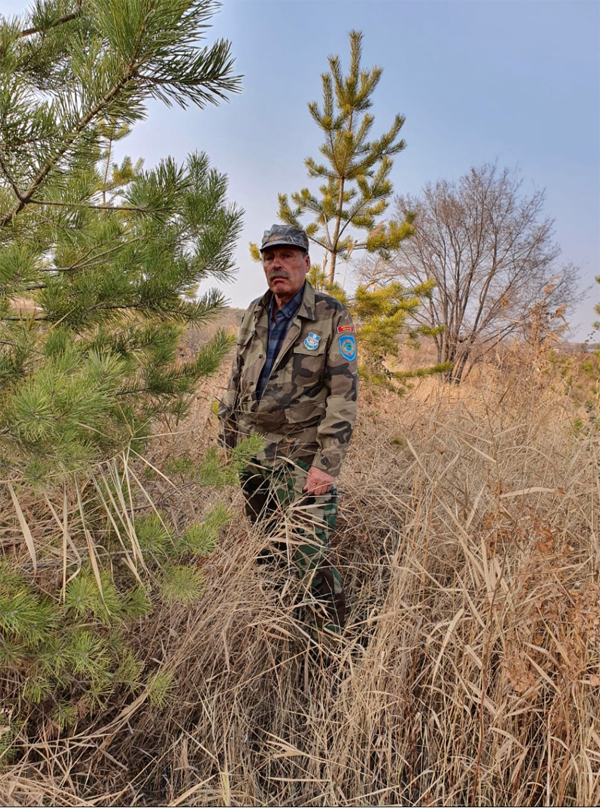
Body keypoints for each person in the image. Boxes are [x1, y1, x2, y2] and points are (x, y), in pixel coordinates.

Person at [218, 224, 358, 637]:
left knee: (309, 558)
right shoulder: (254, 312)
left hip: (301, 458)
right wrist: (228, 441)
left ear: (306, 262)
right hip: (253, 454)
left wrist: (327, 464)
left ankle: (333, 648)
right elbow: (236, 378)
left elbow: (343, 395)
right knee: (267, 550)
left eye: (287, 256)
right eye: (269, 257)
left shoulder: (331, 315)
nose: (276, 264)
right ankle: (280, 633)